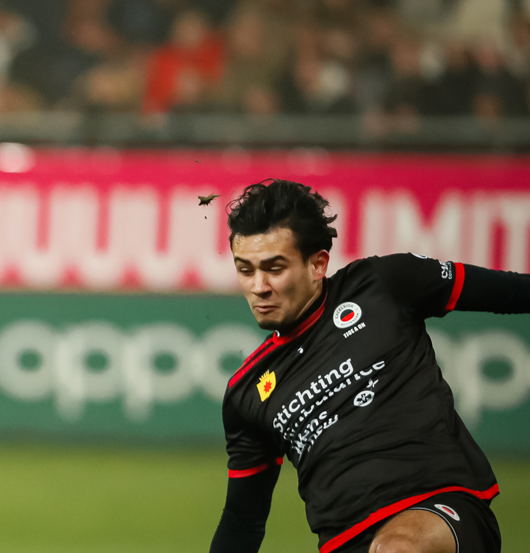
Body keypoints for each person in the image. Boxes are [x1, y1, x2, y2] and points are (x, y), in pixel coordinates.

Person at [210, 179, 510, 553]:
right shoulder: (246, 392)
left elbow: (511, 292)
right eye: (246, 270)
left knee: (395, 549)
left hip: (440, 512)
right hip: (346, 544)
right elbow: (242, 523)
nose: (259, 286)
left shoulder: (382, 285)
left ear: (317, 264)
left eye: (274, 268)